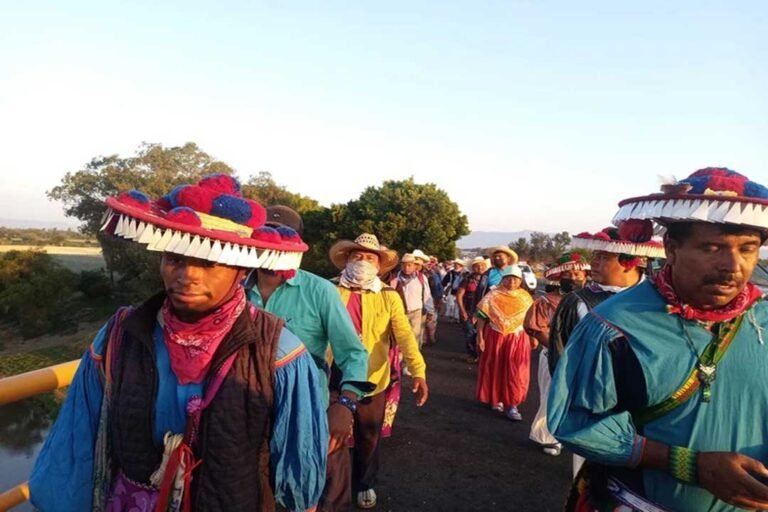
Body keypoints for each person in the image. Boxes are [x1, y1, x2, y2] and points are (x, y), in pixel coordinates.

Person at [29, 175, 328, 511]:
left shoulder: (277, 350)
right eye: (174, 259)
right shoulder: (120, 334)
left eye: (209, 263)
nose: (188, 276)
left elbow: (298, 469)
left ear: (241, 271)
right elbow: (77, 439)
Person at [548, 167, 768, 511]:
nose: (732, 265)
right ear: (672, 248)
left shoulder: (763, 320)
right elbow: (575, 423)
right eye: (712, 248)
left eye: (748, 249)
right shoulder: (614, 326)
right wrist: (690, 464)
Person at [243, 205, 373, 511]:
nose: (272, 241)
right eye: (265, 233)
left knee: (306, 494)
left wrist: (345, 404)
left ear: (297, 243)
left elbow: (353, 353)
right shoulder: (234, 289)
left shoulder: (320, 291)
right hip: (243, 412)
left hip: (305, 414)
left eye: (282, 234)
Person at [329, 233, 429, 510]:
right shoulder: (329, 289)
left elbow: (404, 334)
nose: (363, 261)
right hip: (333, 374)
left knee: (368, 434)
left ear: (378, 265)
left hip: (372, 378)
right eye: (357, 256)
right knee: (329, 431)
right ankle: (330, 483)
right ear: (347, 260)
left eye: (370, 258)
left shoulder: (388, 295)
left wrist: (418, 370)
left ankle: (364, 483)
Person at [547, 227, 666, 375]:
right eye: (595, 255)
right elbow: (561, 360)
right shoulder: (576, 303)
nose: (593, 263)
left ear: (629, 263)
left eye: (603, 257)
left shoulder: (660, 299)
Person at [524, 252, 590, 457]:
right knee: (552, 396)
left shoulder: (591, 300)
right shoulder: (546, 301)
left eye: (577, 274)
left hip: (584, 357)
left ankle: (571, 435)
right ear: (560, 277)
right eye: (568, 274)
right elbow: (537, 329)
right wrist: (560, 350)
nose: (573, 277)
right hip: (554, 355)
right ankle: (547, 437)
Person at [475, 265, 534, 421]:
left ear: (520, 281)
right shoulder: (493, 295)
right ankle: (496, 398)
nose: (512, 282)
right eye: (508, 279)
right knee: (495, 367)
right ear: (503, 279)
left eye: (515, 279)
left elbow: (531, 320)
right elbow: (482, 316)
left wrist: (533, 337)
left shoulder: (525, 297)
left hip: (518, 337)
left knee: (515, 371)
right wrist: (480, 336)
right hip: (496, 335)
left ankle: (512, 403)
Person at [390, 253, 435, 349]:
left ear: (415, 266)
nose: (406, 268)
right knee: (400, 338)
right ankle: (400, 357)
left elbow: (427, 295)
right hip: (400, 313)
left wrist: (430, 311)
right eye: (404, 265)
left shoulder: (421, 278)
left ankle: (412, 357)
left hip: (416, 312)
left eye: (409, 265)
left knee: (415, 338)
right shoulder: (395, 278)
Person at [457, 256, 487, 362]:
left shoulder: (487, 279)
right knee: (470, 333)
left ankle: (482, 355)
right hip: (469, 310)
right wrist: (462, 311)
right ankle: (473, 354)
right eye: (477, 265)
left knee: (483, 334)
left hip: (484, 312)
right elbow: (459, 295)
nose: (480, 267)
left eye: (482, 265)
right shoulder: (467, 279)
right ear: (473, 268)